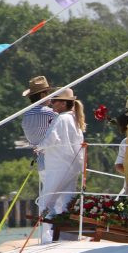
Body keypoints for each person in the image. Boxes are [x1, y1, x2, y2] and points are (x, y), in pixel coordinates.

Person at [37, 88, 86, 242]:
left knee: (47, 201)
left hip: (58, 166)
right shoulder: (74, 119)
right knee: (66, 201)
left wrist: (39, 148)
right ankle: (68, 237)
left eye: (55, 100)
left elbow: (52, 139)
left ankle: (48, 237)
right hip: (72, 167)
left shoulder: (61, 119)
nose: (51, 103)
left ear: (63, 103)